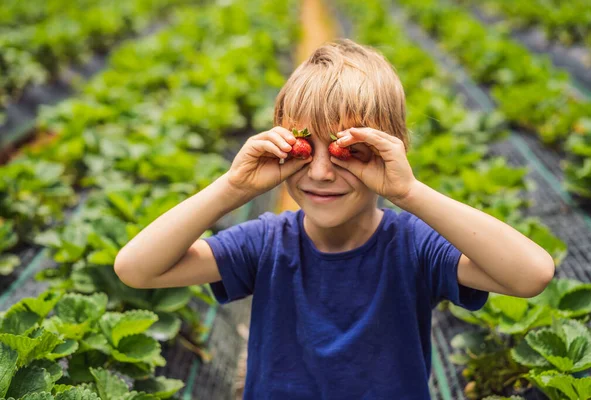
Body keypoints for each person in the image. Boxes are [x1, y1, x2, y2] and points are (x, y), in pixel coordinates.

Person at [114, 39, 555, 399]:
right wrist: (234, 188)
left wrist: (408, 192)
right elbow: (136, 268)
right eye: (303, 150)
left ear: (390, 152)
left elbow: (530, 275)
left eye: (350, 151)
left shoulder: (413, 246)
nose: (322, 172)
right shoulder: (265, 244)